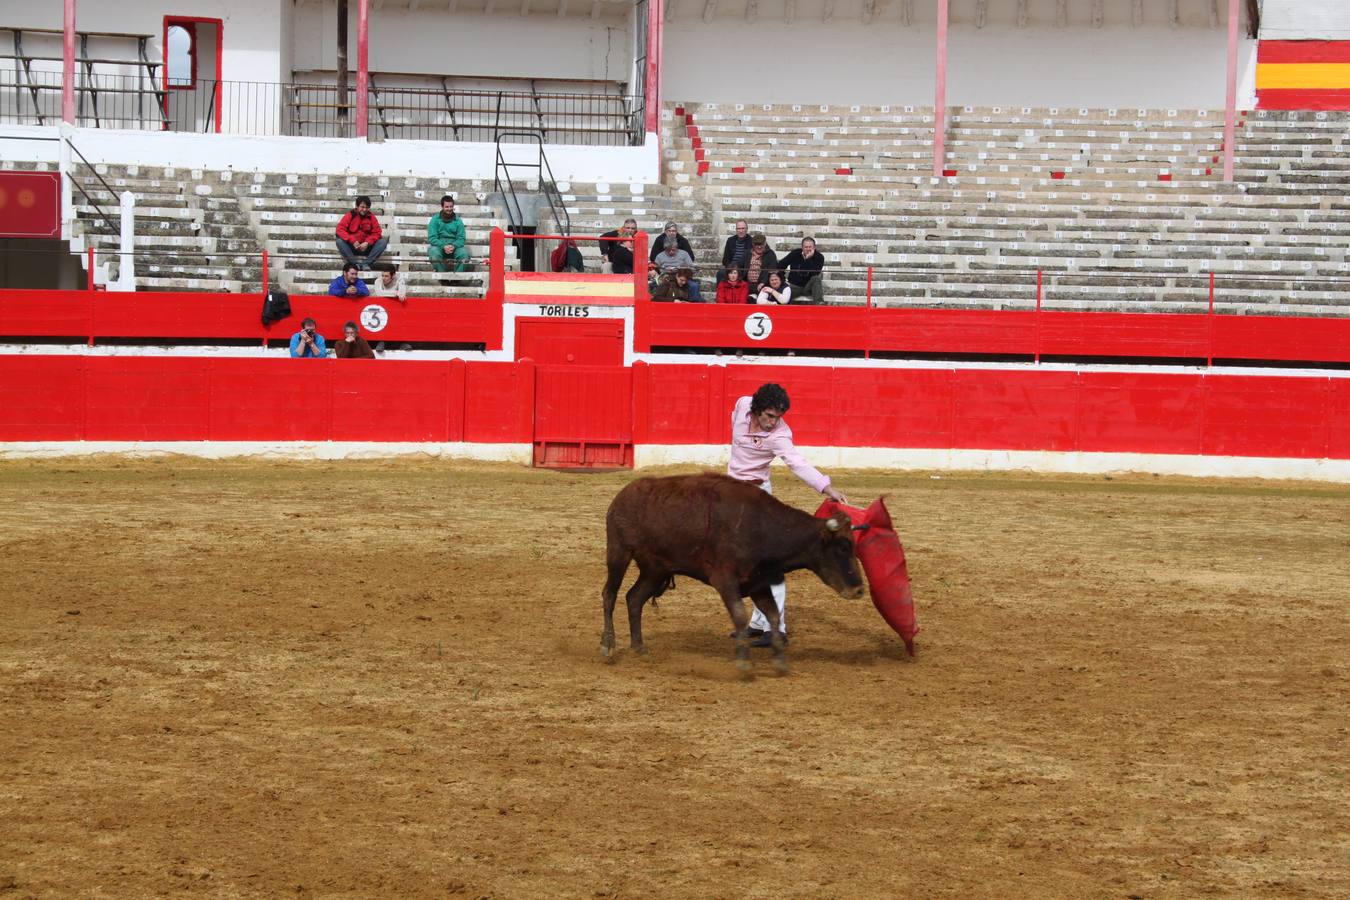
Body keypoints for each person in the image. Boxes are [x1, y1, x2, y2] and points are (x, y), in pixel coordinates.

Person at [728, 383, 847, 647]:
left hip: (758, 497)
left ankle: (776, 629)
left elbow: (797, 463)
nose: (774, 422)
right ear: (757, 409)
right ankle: (759, 624)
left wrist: (826, 487)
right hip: (730, 496)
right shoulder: (741, 405)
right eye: (770, 416)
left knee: (768, 560)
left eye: (778, 417)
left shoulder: (781, 435)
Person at [334, 195, 388, 270]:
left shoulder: (371, 217)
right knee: (339, 241)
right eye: (362, 207)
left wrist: (367, 242)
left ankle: (366, 263)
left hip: (367, 248)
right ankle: (355, 264)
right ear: (357, 206)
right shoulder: (349, 215)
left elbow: (377, 232)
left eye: (366, 207)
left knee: (383, 242)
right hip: (352, 247)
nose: (364, 209)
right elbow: (339, 229)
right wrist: (352, 240)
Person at [428, 195, 471, 273]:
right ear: (442, 207)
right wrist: (443, 246)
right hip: (439, 246)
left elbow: (461, 238)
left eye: (451, 206)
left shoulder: (458, 220)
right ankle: (443, 276)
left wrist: (454, 246)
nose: (449, 209)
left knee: (465, 255)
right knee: (434, 254)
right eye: (447, 207)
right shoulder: (435, 220)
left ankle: (457, 277)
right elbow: (432, 238)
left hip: (454, 247)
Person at [779, 236, 827, 304]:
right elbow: (780, 265)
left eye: (810, 247)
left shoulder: (819, 257)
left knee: (816, 278)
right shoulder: (795, 253)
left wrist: (808, 259)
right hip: (794, 286)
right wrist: (782, 279)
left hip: (809, 287)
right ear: (802, 248)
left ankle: (820, 305)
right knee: (781, 296)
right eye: (806, 247)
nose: (808, 249)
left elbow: (815, 273)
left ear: (814, 247)